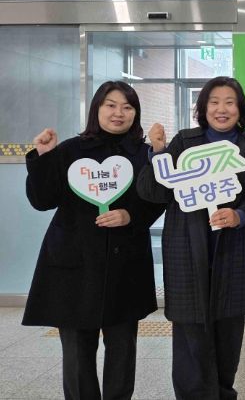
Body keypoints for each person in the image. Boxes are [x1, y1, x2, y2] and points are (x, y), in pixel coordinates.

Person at [23, 80, 164, 400]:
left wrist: (131, 215)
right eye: (110, 105)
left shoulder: (143, 153)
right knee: (76, 352)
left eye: (127, 107)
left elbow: (157, 198)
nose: (119, 113)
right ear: (96, 109)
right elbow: (42, 200)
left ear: (136, 113)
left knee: (122, 348)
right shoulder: (70, 150)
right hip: (74, 264)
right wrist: (43, 157)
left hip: (125, 263)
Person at [137, 77, 245, 399]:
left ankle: (222, 393)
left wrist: (240, 215)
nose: (222, 109)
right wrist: (157, 152)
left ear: (240, 108)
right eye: (214, 102)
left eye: (230, 102)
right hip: (187, 250)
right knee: (190, 337)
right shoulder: (184, 141)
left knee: (228, 336)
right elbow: (154, 192)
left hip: (234, 251)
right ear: (203, 108)